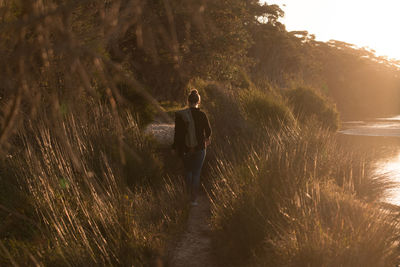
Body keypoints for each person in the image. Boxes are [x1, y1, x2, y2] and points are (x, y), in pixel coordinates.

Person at [172, 89, 211, 206]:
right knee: (196, 173)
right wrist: (206, 139)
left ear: (188, 101)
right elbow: (208, 131)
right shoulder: (202, 115)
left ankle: (186, 197)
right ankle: (193, 200)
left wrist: (175, 147)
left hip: (185, 148)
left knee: (188, 172)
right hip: (200, 148)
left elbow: (177, 134)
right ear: (198, 101)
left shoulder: (180, 115)